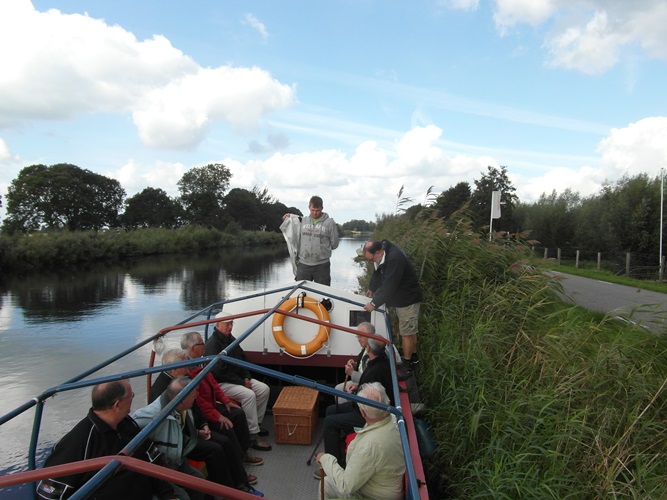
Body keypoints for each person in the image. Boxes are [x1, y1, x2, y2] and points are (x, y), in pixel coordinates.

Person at [36, 379, 175, 500]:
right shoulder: (77, 443)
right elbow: (49, 494)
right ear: (117, 405)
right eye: (131, 396)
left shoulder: (127, 424)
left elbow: (152, 458)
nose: (133, 398)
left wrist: (169, 495)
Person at [133, 377, 264, 498]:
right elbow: (137, 424)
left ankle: (235, 486)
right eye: (193, 398)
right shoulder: (152, 416)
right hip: (173, 452)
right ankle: (228, 491)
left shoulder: (183, 402)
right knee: (215, 450)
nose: (195, 400)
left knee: (223, 443)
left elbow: (180, 424)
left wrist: (199, 430)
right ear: (181, 400)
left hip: (183, 440)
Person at [180, 331, 262, 466]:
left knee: (239, 414)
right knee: (226, 426)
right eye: (201, 343)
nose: (204, 345)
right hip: (202, 414)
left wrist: (226, 401)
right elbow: (198, 402)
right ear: (193, 348)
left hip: (211, 405)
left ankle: (243, 452)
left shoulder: (202, 362)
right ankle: (237, 463)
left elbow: (213, 384)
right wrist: (217, 415)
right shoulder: (188, 370)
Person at [316, 382, 406, 499]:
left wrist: (325, 458)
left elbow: (345, 485)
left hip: (374, 496)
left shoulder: (369, 446)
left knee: (326, 485)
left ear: (362, 413)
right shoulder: (394, 418)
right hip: (387, 486)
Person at [318, 337, 394, 473]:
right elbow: (371, 385)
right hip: (363, 406)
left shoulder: (376, 369)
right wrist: (358, 387)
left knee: (330, 422)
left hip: (368, 414)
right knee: (330, 410)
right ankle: (336, 444)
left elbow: (373, 387)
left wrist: (356, 385)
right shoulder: (379, 362)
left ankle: (334, 466)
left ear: (369, 349)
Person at [204, 313, 272, 452]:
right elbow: (218, 372)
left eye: (232, 324)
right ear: (217, 325)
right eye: (227, 324)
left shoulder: (231, 339)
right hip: (222, 383)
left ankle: (255, 425)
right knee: (249, 395)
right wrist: (242, 382)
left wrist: (246, 377)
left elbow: (242, 359)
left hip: (238, 379)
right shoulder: (212, 344)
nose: (230, 327)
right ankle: (252, 435)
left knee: (264, 389)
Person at [360, 240, 423, 378]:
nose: (371, 262)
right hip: (402, 298)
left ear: (378, 252)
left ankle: (407, 366)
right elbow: (377, 272)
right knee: (410, 331)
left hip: (408, 299)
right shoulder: (382, 253)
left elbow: (389, 286)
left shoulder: (394, 258)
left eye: (371, 259)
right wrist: (371, 287)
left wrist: (374, 304)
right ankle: (413, 359)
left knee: (406, 333)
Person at [281, 195, 339, 286]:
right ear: (309, 207)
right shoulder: (303, 221)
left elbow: (334, 244)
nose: (315, 213)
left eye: (317, 210)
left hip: (322, 265)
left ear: (322, 208)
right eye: (312, 210)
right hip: (304, 264)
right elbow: (293, 223)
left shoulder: (330, 223)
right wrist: (289, 217)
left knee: (323, 294)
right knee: (301, 292)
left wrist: (322, 249)